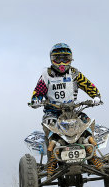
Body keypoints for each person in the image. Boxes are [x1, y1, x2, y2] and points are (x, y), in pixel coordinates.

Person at [28, 43, 103, 176]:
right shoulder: (47, 75)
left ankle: (93, 156)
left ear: (71, 59)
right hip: (53, 111)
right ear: (51, 59)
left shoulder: (74, 73)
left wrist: (96, 96)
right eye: (58, 59)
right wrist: (36, 100)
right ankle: (52, 161)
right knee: (50, 126)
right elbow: (38, 92)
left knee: (86, 122)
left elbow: (88, 85)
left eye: (65, 58)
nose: (61, 62)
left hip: (73, 111)